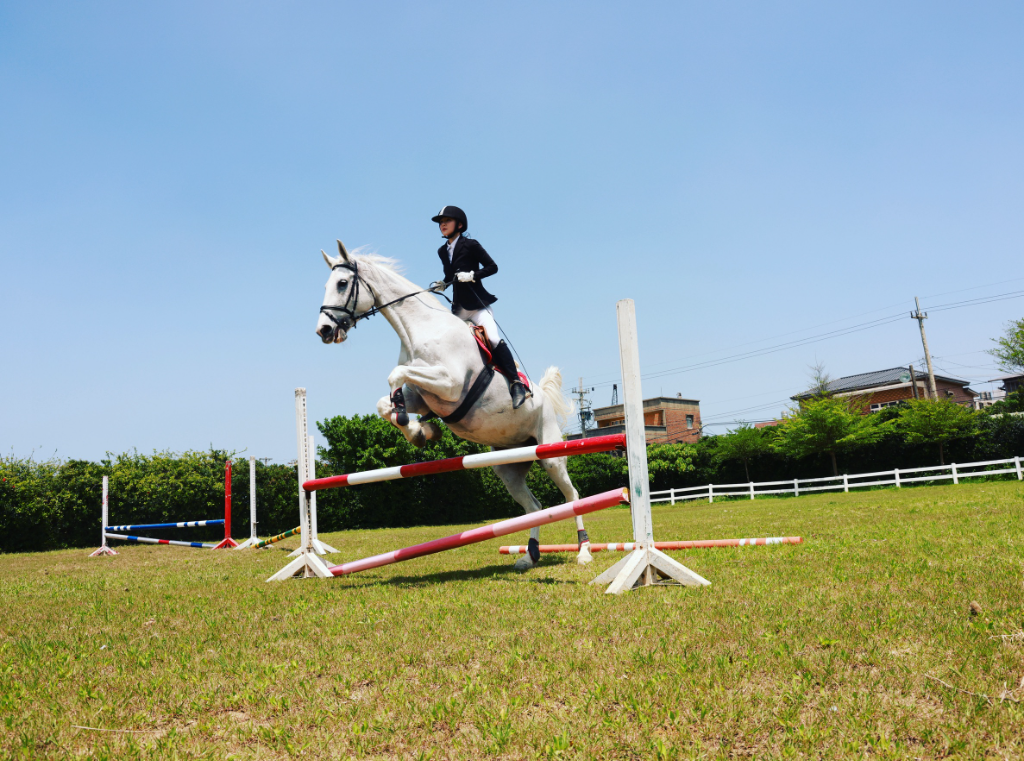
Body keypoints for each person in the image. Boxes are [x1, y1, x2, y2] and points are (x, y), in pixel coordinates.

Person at [428, 205, 529, 409]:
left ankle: (516, 383)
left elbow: (493, 267)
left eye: (446, 221)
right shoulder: (442, 251)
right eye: (440, 222)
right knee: (446, 345)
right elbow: (451, 276)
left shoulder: (471, 245)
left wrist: (473, 275)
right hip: (458, 309)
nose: (442, 224)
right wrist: (443, 284)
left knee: (492, 338)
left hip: (477, 306)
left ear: (460, 224)